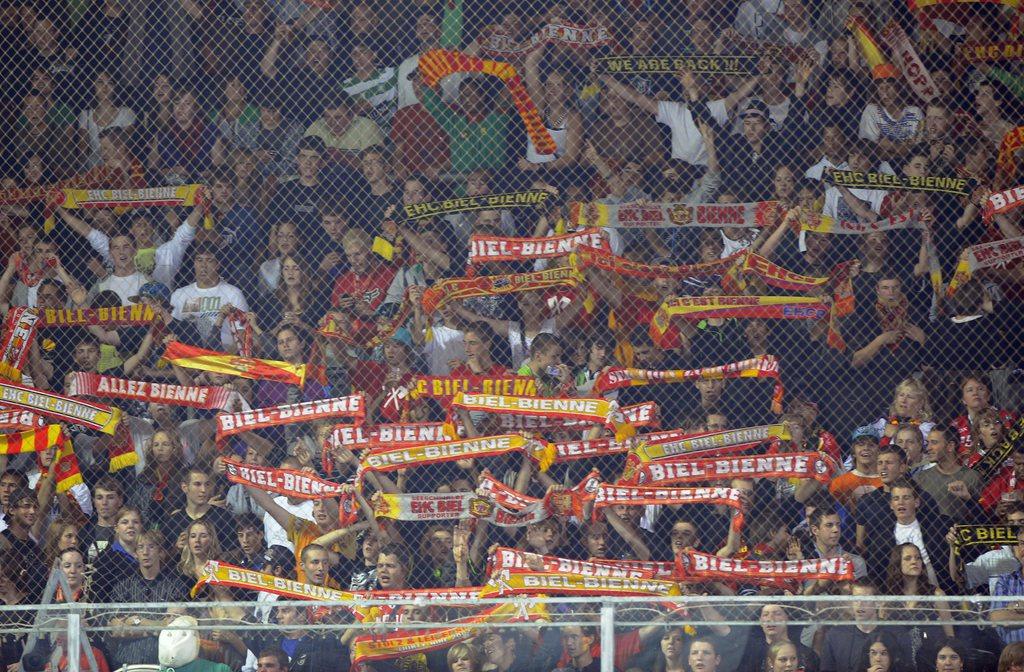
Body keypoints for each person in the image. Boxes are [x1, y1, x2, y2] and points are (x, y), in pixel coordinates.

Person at [106, 529, 188, 668]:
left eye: (151, 546)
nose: (145, 552)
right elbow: (117, 629)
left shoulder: (175, 585)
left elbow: (172, 627)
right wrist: (157, 626)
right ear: (135, 553)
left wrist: (137, 621)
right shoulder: (123, 586)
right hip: (126, 662)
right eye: (140, 547)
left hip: (162, 662)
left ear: (160, 552)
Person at [170, 243, 250, 351]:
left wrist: (226, 358)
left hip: (222, 353)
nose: (203, 265)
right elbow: (173, 328)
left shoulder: (233, 293)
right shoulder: (180, 294)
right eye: (199, 260)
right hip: (188, 353)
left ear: (218, 265)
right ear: (194, 264)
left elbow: (242, 332)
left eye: (209, 260)